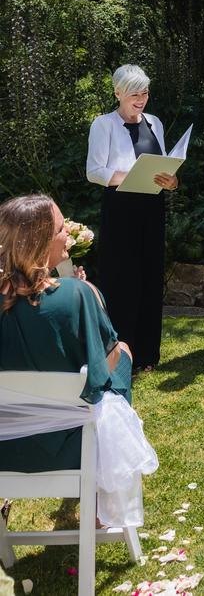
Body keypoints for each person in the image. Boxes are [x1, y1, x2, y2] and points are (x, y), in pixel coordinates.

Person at [0, 194, 133, 471]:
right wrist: (90, 294)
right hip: (70, 447)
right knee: (123, 354)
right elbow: (105, 366)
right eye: (61, 230)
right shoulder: (77, 294)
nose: (67, 236)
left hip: (6, 446)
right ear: (38, 241)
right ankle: (104, 500)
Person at [86, 64, 177, 371]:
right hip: (120, 209)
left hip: (152, 207)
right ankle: (120, 353)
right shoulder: (103, 124)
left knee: (151, 277)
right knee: (121, 280)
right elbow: (94, 171)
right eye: (135, 93)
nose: (142, 99)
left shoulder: (155, 122)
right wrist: (129, 176)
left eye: (145, 92)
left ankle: (149, 355)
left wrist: (172, 181)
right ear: (118, 93)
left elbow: (164, 163)